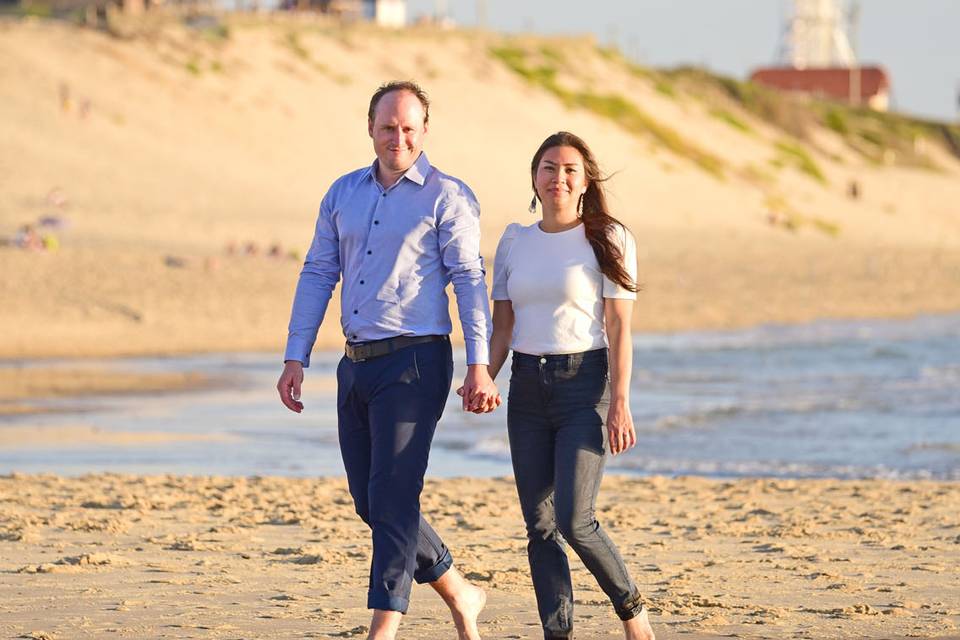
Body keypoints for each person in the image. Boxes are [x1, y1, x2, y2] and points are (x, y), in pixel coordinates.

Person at [277, 81, 498, 640]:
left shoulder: (449, 196)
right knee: (370, 501)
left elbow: (470, 281)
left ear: (424, 131)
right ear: (370, 128)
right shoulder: (342, 193)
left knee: (396, 495)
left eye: (408, 128)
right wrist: (295, 356)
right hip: (354, 364)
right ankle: (461, 593)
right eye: (387, 127)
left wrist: (480, 364)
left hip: (417, 361)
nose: (397, 137)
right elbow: (318, 273)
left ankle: (384, 627)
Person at [485, 131, 656, 640]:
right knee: (539, 527)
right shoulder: (515, 240)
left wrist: (621, 403)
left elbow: (621, 327)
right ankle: (557, 633)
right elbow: (503, 328)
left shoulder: (608, 237)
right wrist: (482, 378)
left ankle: (633, 613)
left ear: (585, 181)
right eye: (548, 168)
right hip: (526, 389)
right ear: (534, 179)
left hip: (585, 385)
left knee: (575, 519)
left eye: (569, 170)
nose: (558, 178)